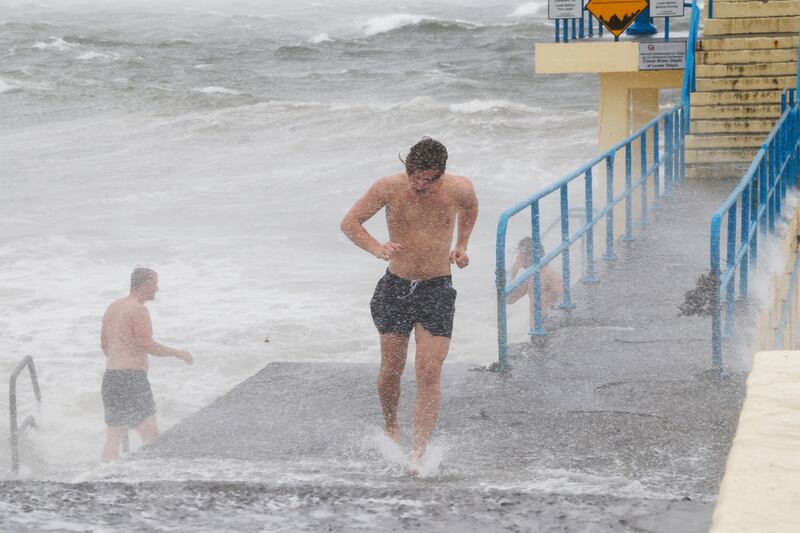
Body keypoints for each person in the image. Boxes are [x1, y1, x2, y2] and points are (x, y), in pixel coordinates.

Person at [340, 137, 478, 468]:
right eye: (414, 177)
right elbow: (350, 223)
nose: (419, 185)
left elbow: (471, 208)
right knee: (391, 370)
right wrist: (376, 248)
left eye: (427, 180)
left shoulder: (459, 189)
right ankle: (391, 424)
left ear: (440, 174)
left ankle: (418, 451)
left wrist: (461, 244)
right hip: (396, 287)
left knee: (429, 372)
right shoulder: (389, 187)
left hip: (437, 288)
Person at [100, 267, 193, 462]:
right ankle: (150, 481)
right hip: (132, 379)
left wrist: (123, 358)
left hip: (111, 378)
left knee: (113, 439)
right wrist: (178, 353)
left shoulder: (113, 307)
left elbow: (105, 345)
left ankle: (102, 479)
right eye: (155, 284)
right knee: (151, 436)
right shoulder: (138, 309)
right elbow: (147, 344)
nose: (157, 289)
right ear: (145, 284)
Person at [507, 236, 563, 317]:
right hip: (536, 325)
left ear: (530, 255)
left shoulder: (550, 274)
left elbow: (563, 297)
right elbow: (509, 299)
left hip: (546, 325)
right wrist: (514, 272)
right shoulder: (530, 276)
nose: (518, 257)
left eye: (521, 254)